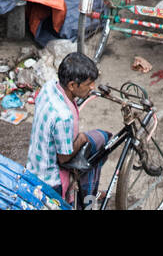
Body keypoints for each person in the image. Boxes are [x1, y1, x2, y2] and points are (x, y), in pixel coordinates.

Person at [26, 52, 109, 202]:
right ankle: (86, 200)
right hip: (51, 180)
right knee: (97, 144)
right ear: (72, 85)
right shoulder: (63, 116)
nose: (92, 87)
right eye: (88, 84)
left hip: (34, 164)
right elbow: (64, 157)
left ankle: (86, 196)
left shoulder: (49, 87)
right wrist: (82, 138)